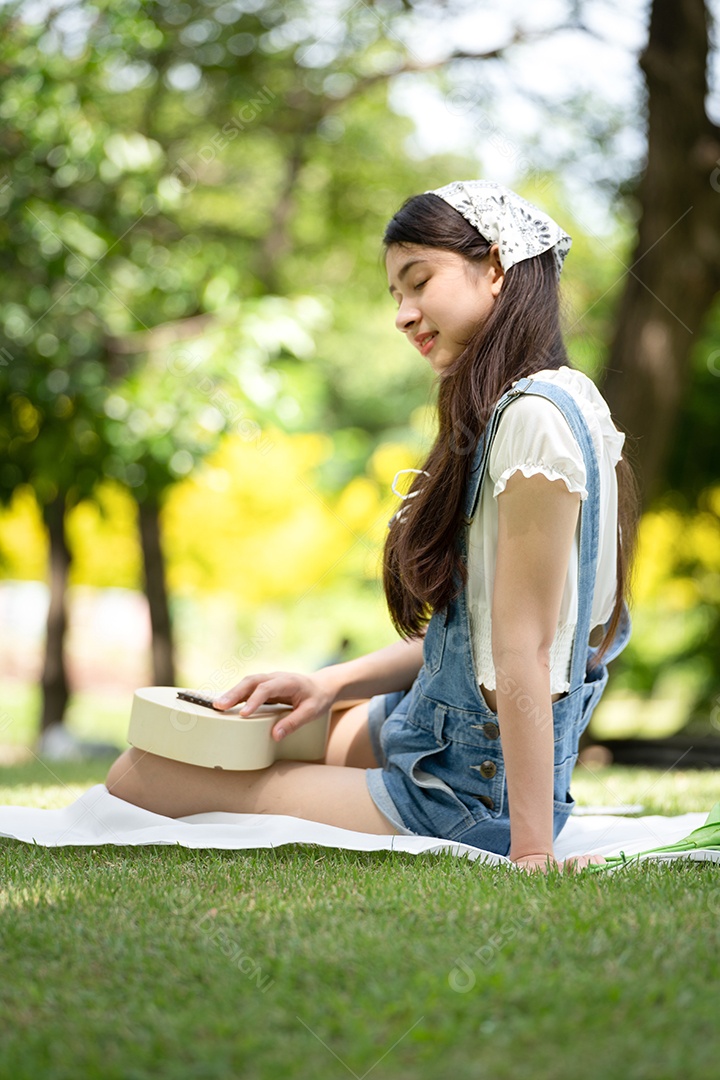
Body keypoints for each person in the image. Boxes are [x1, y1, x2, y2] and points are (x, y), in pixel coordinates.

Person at [106, 180, 639, 873]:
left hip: (465, 789)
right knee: (224, 738)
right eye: (395, 295)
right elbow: (479, 633)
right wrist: (331, 683)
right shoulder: (549, 402)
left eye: (419, 282)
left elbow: (526, 651)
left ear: (499, 267)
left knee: (139, 777)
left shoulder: (533, 420)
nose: (403, 314)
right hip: (434, 728)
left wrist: (530, 848)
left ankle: (503, 820)